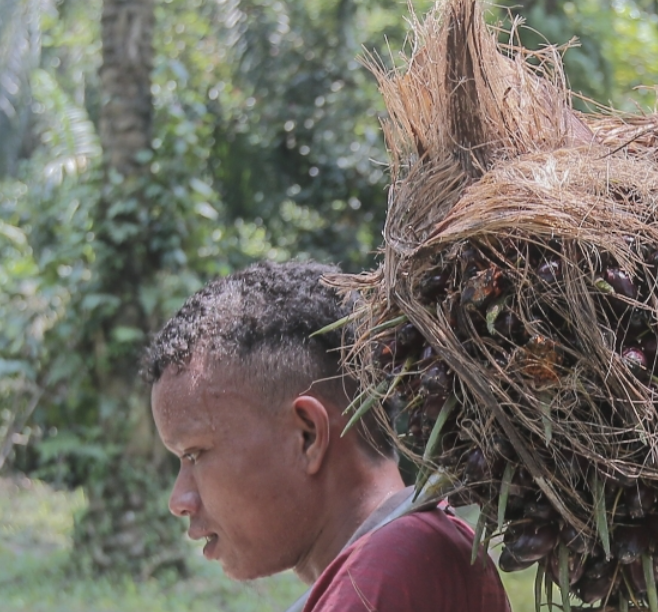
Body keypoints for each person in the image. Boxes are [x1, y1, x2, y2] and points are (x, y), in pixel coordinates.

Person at [142, 260, 511, 612]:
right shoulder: (397, 559)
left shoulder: (398, 563)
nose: (179, 500)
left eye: (194, 454)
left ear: (307, 435)